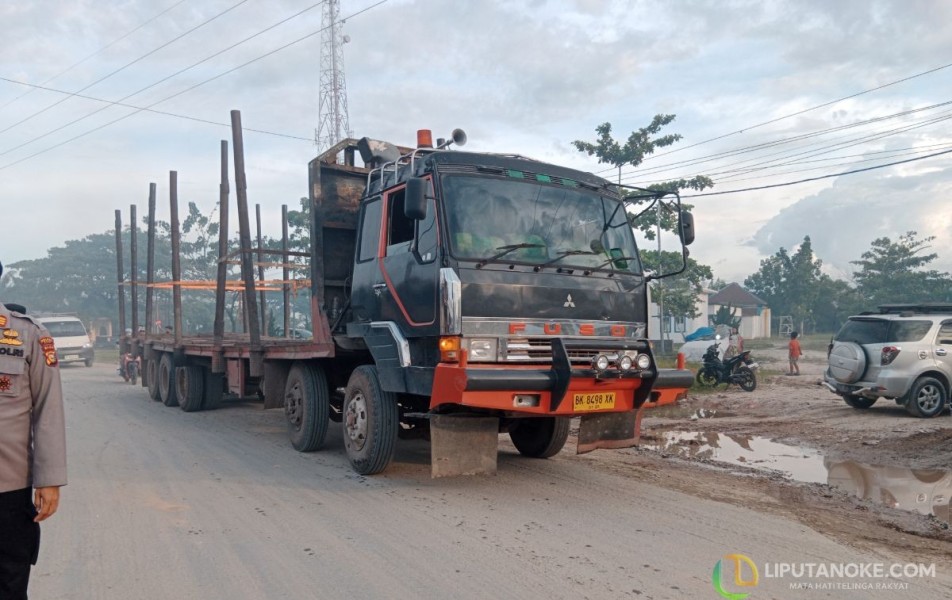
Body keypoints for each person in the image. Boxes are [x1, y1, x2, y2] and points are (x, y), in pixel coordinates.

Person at [0, 260, 67, 599]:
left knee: (10, 583)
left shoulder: (29, 334)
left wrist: (49, 479)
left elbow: (48, 411)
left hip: (8, 488)